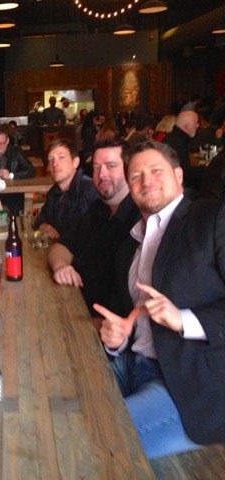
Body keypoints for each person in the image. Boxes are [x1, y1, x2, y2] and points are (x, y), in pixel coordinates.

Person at [93, 141, 225, 458]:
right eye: (136, 176)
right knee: (61, 404)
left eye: (156, 171)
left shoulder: (211, 218)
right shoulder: (130, 244)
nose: (146, 181)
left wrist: (184, 320)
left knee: (95, 439)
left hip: (188, 384)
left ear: (179, 176)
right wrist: (117, 338)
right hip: (129, 364)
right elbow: (125, 318)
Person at [48, 138, 140, 313]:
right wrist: (60, 266)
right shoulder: (97, 209)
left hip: (102, 321)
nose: (102, 174)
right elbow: (62, 246)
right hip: (74, 304)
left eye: (110, 166)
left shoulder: (139, 219)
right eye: (97, 168)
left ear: (129, 170)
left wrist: (101, 321)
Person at [33, 139, 98, 240]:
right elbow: (42, 216)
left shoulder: (91, 190)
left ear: (75, 162)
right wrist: (44, 226)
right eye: (51, 159)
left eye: (61, 157)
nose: (54, 164)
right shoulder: (53, 192)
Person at [0, 125, 35, 214]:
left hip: (14, 194)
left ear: (7, 141)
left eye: (1, 143)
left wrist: (11, 175)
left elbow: (31, 170)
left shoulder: (16, 152)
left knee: (16, 206)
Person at [162, 110, 200, 194]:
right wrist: (206, 170)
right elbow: (184, 173)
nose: (198, 125)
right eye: (196, 123)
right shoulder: (176, 143)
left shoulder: (175, 138)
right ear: (187, 126)